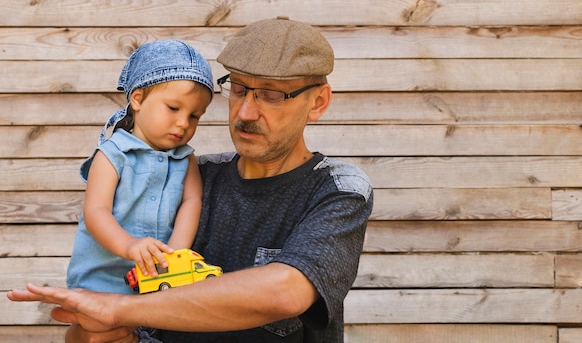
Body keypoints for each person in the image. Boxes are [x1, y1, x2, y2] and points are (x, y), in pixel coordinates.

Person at [8, 17, 373, 343]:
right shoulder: (186, 176)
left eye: (272, 95)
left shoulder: (337, 189)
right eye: (240, 89)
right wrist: (93, 332)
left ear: (318, 102)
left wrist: (115, 310)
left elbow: (286, 292)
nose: (245, 112)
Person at [66, 39, 214, 295]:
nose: (183, 123)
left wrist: (176, 252)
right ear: (137, 99)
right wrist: (129, 245)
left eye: (194, 116)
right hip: (102, 278)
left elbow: (192, 202)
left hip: (158, 275)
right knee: (101, 328)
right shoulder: (112, 154)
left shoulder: (185, 158)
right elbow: (95, 212)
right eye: (173, 108)